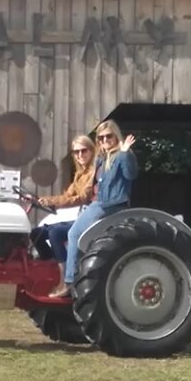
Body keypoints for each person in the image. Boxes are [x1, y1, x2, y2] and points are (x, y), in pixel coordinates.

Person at [56, 120, 138, 297]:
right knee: (65, 234)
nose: (105, 140)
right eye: (101, 138)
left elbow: (131, 174)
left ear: (116, 136)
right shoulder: (102, 159)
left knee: (73, 234)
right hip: (99, 203)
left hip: (110, 205)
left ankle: (69, 281)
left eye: (109, 136)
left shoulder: (121, 156)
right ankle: (76, 277)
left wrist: (124, 154)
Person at [28, 135, 96, 286]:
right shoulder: (80, 174)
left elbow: (82, 198)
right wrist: (44, 200)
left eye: (83, 151)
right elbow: (67, 196)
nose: (80, 155)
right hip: (80, 217)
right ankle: (51, 267)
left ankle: (66, 279)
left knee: (55, 233)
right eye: (76, 152)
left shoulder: (93, 173)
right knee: (36, 233)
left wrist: (54, 202)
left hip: (90, 219)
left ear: (91, 151)